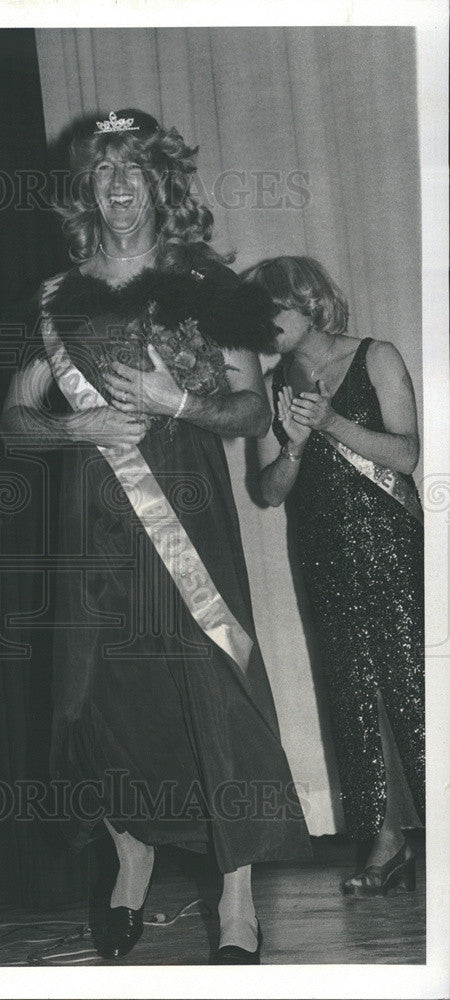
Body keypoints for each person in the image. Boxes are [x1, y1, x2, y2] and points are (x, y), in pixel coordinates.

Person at [1, 109, 310, 964]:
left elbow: (250, 409)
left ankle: (237, 900)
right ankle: (131, 857)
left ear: (162, 182)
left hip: (188, 523)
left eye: (135, 169)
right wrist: (75, 433)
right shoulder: (58, 299)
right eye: (104, 172)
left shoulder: (209, 285)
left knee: (216, 692)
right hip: (89, 528)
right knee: (98, 699)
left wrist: (181, 404)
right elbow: (15, 421)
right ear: (87, 190)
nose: (121, 187)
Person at [241, 255, 424, 896]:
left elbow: (406, 454)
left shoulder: (375, 357)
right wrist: (292, 445)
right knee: (348, 694)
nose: (263, 327)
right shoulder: (275, 386)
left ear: (309, 301)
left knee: (414, 687)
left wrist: (331, 423)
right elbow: (269, 491)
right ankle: (383, 840)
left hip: (392, 543)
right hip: (319, 549)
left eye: (272, 312)